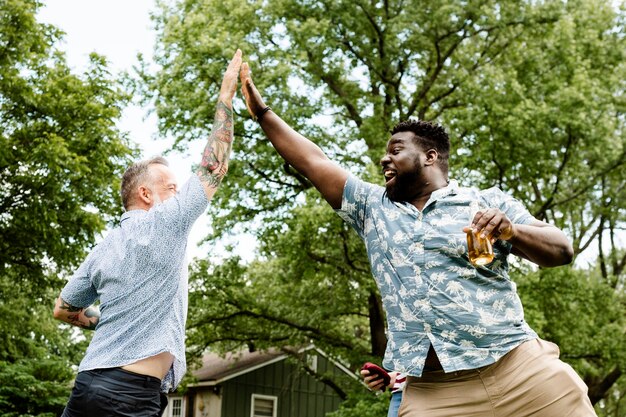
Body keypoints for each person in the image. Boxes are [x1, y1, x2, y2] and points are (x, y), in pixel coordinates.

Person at [239, 62, 597, 416]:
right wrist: (262, 113)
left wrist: (511, 230)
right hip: (433, 393)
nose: (384, 158)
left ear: (429, 157)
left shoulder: (486, 200)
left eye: (395, 150)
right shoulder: (372, 208)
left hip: (520, 370)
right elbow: (312, 161)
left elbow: (561, 249)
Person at [52, 50, 242, 417]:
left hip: (87, 385)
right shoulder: (166, 222)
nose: (177, 194)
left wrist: (109, 322)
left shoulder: (102, 248)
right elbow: (213, 168)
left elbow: (63, 309)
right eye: (171, 188)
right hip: (131, 394)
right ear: (145, 194)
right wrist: (226, 97)